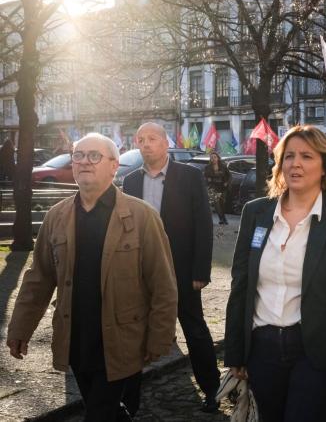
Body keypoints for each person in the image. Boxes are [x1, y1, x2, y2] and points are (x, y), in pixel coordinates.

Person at [6, 133, 178, 421]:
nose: (84, 161)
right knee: (110, 411)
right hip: (76, 340)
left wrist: (159, 337)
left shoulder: (142, 217)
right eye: (78, 155)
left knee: (99, 414)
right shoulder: (56, 217)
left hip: (123, 341)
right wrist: (20, 329)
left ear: (114, 165)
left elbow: (163, 284)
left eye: (94, 156)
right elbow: (39, 279)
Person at [224, 126, 326, 421]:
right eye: (289, 156)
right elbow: (240, 286)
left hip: (316, 351)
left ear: (324, 166)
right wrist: (235, 352)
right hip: (262, 349)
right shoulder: (255, 213)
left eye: (307, 156)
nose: (296, 163)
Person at [122, 123, 219, 413]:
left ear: (165, 143)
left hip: (181, 271)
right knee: (134, 335)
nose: (146, 144)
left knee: (195, 330)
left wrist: (200, 272)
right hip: (141, 274)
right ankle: (130, 401)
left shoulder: (189, 176)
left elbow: (203, 224)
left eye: (152, 138)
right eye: (141, 140)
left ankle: (212, 390)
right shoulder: (130, 182)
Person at [204, 151, 231, 225]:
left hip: (222, 187)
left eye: (215, 157)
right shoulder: (208, 167)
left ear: (218, 158)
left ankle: (223, 218)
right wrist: (215, 176)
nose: (213, 159)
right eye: (212, 157)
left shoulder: (223, 166)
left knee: (222, 203)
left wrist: (226, 182)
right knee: (216, 204)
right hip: (213, 187)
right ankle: (221, 219)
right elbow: (206, 176)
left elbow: (229, 176)